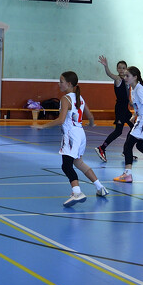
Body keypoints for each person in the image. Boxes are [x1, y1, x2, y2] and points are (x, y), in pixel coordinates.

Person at [32, 71, 108, 207]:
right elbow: (90, 116)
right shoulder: (80, 98)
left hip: (71, 135)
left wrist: (43, 126)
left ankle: (77, 192)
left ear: (69, 84)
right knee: (79, 163)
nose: (59, 84)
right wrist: (91, 124)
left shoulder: (65, 99)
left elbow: (61, 120)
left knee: (66, 166)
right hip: (80, 133)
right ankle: (100, 187)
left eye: (61, 82)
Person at [94, 56, 133, 162]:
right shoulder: (118, 79)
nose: (122, 70)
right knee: (118, 131)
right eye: (119, 68)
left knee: (134, 128)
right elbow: (110, 74)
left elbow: (126, 96)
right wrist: (106, 66)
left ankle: (126, 151)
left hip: (125, 109)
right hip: (120, 109)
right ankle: (102, 148)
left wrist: (131, 103)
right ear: (117, 69)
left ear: (126, 69)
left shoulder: (127, 81)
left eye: (123, 68)